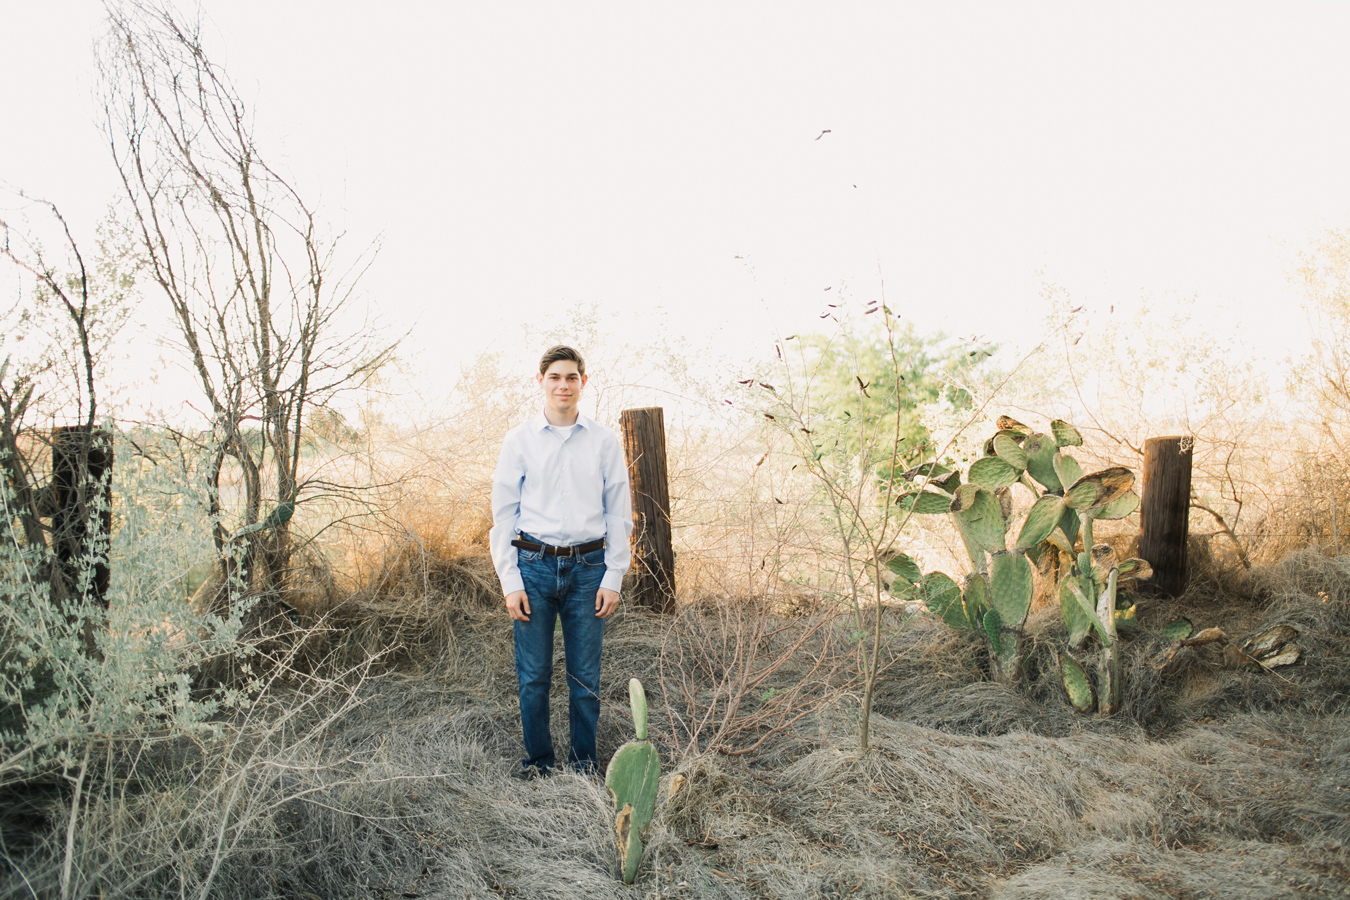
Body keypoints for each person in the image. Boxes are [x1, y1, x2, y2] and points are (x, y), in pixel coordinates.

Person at [489, 345, 632, 778]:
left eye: (571, 377)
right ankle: (538, 763)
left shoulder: (605, 441)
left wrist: (614, 575)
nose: (563, 385)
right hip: (532, 566)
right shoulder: (519, 441)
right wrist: (510, 581)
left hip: (590, 570)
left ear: (583, 383)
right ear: (541, 381)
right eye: (555, 377)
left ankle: (584, 766)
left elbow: (618, 511)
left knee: (585, 678)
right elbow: (503, 514)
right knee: (533, 676)